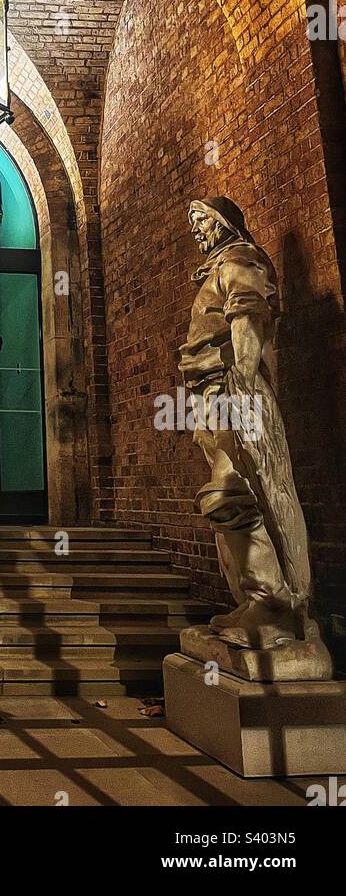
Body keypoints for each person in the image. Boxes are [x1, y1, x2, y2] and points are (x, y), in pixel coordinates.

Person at [179, 196, 312, 649]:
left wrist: (240, 385)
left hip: (231, 392)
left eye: (202, 220)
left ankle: (275, 603)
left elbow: (248, 321)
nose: (196, 229)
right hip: (210, 393)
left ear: (222, 222)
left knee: (231, 494)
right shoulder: (216, 268)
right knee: (233, 497)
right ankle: (258, 599)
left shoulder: (240, 261)